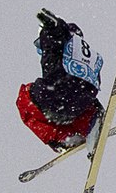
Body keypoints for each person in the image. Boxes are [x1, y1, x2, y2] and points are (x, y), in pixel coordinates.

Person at [17, 9, 104, 152]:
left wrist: (51, 28)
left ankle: (63, 138)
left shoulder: (55, 41)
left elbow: (55, 38)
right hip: (82, 103)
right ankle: (91, 124)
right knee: (83, 103)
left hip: (59, 96)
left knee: (24, 97)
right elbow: (92, 86)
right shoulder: (84, 53)